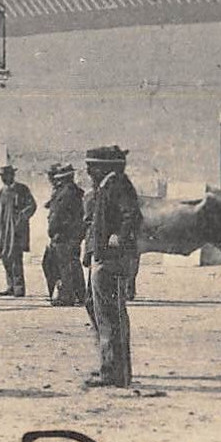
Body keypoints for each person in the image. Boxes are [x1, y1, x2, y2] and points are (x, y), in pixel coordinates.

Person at [81, 146, 140, 388]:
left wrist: (120, 236)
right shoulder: (106, 186)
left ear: (103, 167)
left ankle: (115, 373)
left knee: (110, 314)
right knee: (97, 308)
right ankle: (110, 365)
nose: (88, 171)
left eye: (91, 166)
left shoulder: (117, 185)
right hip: (102, 256)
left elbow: (132, 215)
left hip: (112, 258)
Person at [41, 164, 85, 307]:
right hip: (72, 234)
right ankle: (80, 294)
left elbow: (57, 215)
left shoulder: (65, 193)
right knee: (72, 263)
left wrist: (52, 231)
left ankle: (67, 296)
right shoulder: (72, 192)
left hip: (63, 234)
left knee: (64, 265)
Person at [0, 165, 37, 297]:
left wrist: (22, 216)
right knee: (5, 258)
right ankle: (10, 286)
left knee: (16, 259)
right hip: (3, 231)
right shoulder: (2, 191)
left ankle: (19, 288)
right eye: (1, 177)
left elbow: (32, 205)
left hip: (16, 231)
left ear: (11, 175)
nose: (3, 179)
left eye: (5, 176)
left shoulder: (22, 189)